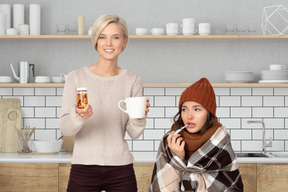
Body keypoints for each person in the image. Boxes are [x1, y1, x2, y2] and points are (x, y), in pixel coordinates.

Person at [59, 14, 150, 192]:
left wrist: (139, 117)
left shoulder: (133, 80)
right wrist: (78, 116)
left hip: (121, 169)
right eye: (102, 37)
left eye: (115, 37)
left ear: (124, 42)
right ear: (96, 41)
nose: (108, 43)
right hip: (83, 167)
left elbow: (134, 133)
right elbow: (66, 129)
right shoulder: (76, 77)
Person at [149, 78, 243, 192]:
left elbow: (231, 187)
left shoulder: (221, 143)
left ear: (209, 113)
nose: (189, 116)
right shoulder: (169, 141)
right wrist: (177, 157)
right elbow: (159, 187)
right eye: (184, 109)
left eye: (197, 109)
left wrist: (183, 165)